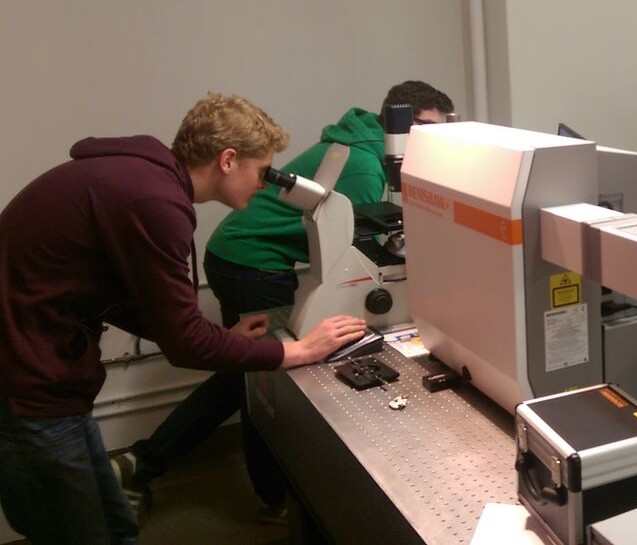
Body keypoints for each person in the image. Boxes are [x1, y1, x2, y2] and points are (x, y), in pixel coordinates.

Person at [0, 92, 367, 544]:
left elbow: (146, 306)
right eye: (262, 170)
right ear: (228, 160)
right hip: (26, 385)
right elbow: (183, 344)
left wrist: (218, 336)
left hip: (46, 366)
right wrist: (295, 350)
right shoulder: (154, 201)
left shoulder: (142, 179)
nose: (265, 183)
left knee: (116, 525)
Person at [111, 81, 454, 521]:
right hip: (252, 261)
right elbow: (363, 247)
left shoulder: (353, 141)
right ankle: (271, 493)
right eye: (424, 130)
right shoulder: (366, 167)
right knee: (263, 375)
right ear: (402, 126)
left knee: (247, 371)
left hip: (235, 253)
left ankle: (143, 463)